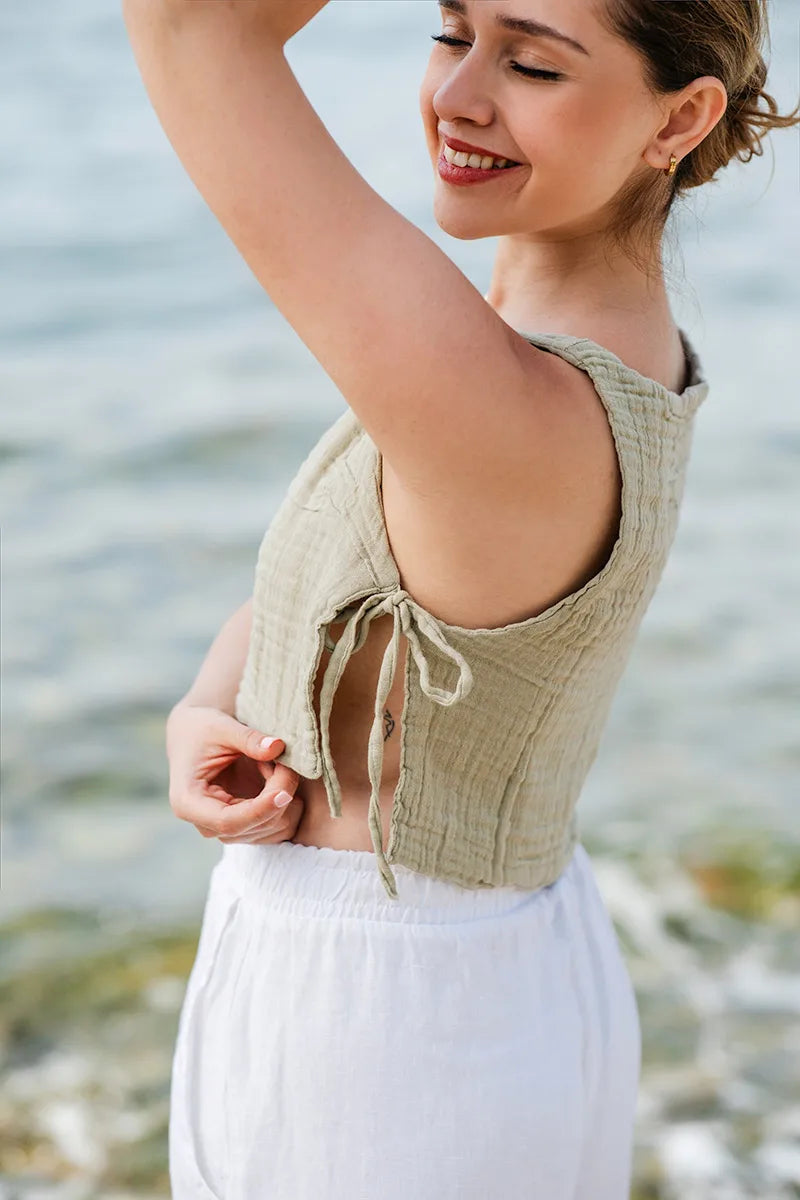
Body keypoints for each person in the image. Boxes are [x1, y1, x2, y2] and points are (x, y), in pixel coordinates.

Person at [123, 1, 799, 1197]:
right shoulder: (561, 361)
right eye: (449, 31)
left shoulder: (514, 405)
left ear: (680, 117)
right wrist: (207, 701)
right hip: (478, 965)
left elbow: (191, 28)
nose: (457, 95)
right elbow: (370, 565)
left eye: (531, 60)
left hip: (386, 1031)